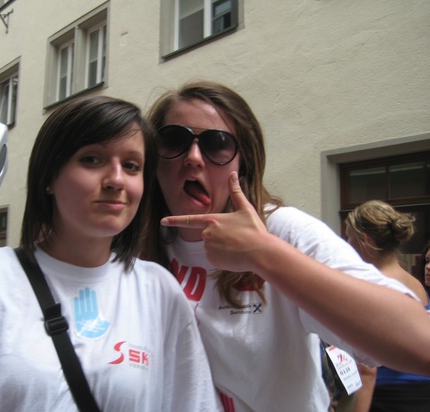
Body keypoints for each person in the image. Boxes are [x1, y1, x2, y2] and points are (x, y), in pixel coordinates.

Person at [0, 96, 222, 411]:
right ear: (48, 177)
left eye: (131, 166)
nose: (116, 180)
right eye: (92, 159)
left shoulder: (157, 290)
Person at [141, 81, 430, 412]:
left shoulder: (282, 230)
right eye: (173, 140)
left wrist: (263, 254)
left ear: (243, 163)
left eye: (217, 144)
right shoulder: (139, 245)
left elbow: (421, 343)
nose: (193, 158)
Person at [345, 200, 430, 411]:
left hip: (386, 395)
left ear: (364, 241)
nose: (347, 244)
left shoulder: (373, 287)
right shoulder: (416, 285)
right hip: (422, 391)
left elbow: (367, 371)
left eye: (349, 237)